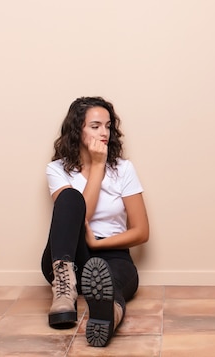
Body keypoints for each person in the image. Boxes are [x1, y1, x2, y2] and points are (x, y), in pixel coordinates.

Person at [41, 96, 150, 347]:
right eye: (95, 126)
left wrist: (99, 244)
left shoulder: (123, 169)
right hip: (68, 255)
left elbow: (141, 232)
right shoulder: (57, 169)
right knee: (70, 198)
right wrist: (98, 166)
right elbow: (82, 215)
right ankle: (64, 290)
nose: (104, 133)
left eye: (108, 126)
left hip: (113, 254)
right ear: (77, 130)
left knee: (112, 282)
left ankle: (109, 314)